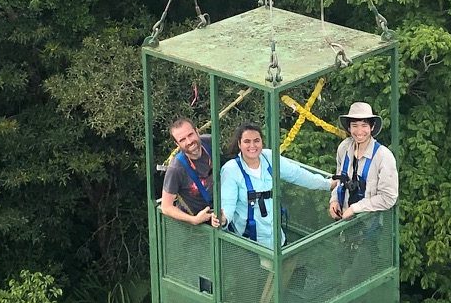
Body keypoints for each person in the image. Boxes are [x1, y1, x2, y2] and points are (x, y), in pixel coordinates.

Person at [221, 122, 333, 250]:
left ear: (262, 142)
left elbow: (297, 174)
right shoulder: (231, 170)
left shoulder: (269, 158)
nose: (252, 146)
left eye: (256, 141)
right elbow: (228, 204)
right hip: (249, 243)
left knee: (284, 265)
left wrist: (327, 184)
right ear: (239, 144)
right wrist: (223, 219)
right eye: (247, 141)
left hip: (275, 237)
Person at [329, 101, 399, 220]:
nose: (359, 131)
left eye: (364, 125)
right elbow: (339, 179)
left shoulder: (383, 156)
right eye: (355, 125)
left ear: (372, 127)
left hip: (369, 226)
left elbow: (388, 198)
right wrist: (334, 200)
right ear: (349, 127)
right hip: (343, 220)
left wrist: (355, 208)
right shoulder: (344, 148)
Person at [161, 115, 220, 226]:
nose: (189, 142)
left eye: (190, 135)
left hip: (221, 214)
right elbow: (166, 207)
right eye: (182, 140)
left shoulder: (210, 142)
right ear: (177, 144)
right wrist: (193, 220)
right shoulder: (176, 168)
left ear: (197, 131)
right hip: (197, 225)